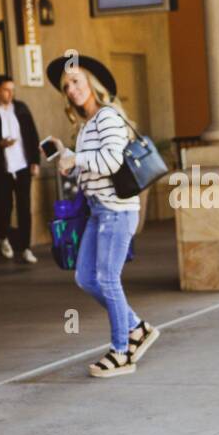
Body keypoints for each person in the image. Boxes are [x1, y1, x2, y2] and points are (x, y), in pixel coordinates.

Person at [45, 53, 159, 378]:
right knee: (85, 277)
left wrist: (76, 159)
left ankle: (122, 352)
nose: (71, 89)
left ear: (92, 83)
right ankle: (137, 327)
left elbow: (111, 162)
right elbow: (89, 162)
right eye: (67, 85)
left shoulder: (107, 117)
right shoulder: (86, 124)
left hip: (116, 211)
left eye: (76, 81)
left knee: (108, 279)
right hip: (98, 210)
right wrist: (66, 154)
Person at [0, 75, 40, 264]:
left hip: (22, 165)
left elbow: (32, 135)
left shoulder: (21, 109)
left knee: (25, 208)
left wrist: (34, 161)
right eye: (6, 90)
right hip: (0, 168)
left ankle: (26, 247)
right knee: (3, 207)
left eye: (12, 90)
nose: (10, 93)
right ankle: (3, 237)